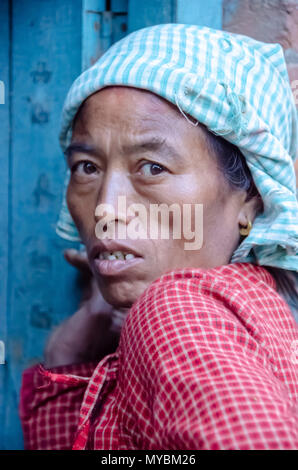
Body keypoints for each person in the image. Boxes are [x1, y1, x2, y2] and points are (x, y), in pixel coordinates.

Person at [19, 24, 298, 450]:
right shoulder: (248, 314)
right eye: (86, 168)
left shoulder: (177, 314)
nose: (106, 209)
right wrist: (67, 357)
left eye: (152, 167)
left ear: (251, 197)